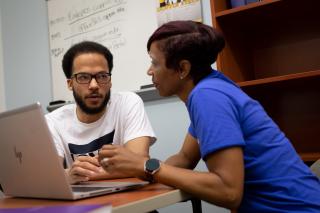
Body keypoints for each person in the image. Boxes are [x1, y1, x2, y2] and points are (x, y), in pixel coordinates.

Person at [97, 21, 320, 212]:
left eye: (155, 62)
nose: (149, 71)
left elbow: (229, 191)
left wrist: (147, 165)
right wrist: (134, 169)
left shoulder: (207, 97)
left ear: (183, 68)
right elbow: (185, 158)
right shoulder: (213, 86)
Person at [45, 41, 156, 184]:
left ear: (110, 81)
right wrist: (65, 176)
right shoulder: (53, 121)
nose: (94, 85)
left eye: (102, 76)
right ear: (70, 84)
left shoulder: (127, 103)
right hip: (82, 204)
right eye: (83, 77)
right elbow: (49, 177)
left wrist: (71, 175)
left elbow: (140, 164)